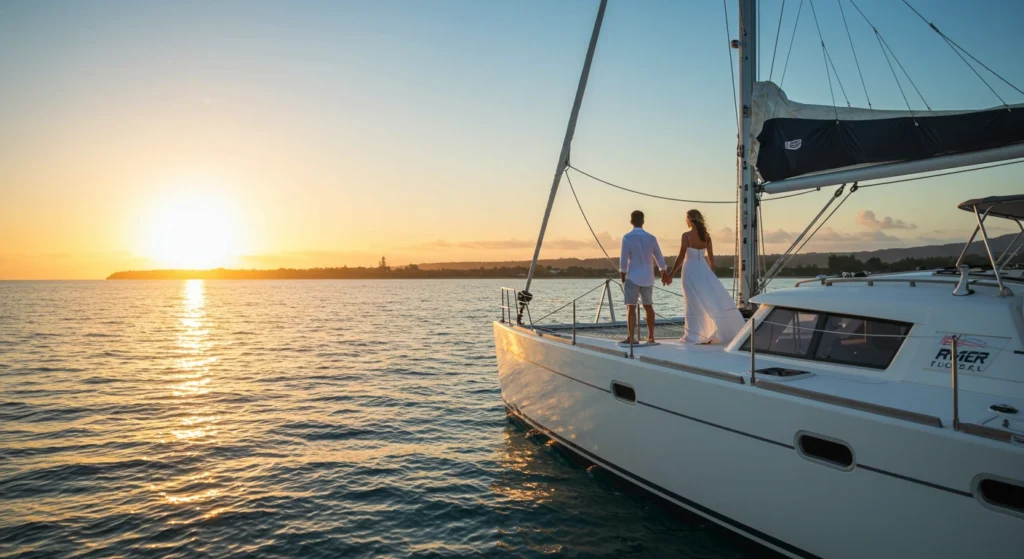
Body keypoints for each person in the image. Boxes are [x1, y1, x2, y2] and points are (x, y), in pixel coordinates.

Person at [662, 209, 745, 344]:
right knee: (707, 299)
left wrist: (671, 273)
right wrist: (710, 273)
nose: (685, 221)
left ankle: (694, 334)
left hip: (690, 269)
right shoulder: (706, 236)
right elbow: (711, 260)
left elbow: (682, 255)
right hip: (703, 269)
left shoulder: (686, 236)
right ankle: (707, 331)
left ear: (690, 219)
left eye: (686, 218)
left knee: (692, 301)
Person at [619, 210, 667, 344]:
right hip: (648, 277)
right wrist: (663, 271)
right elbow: (659, 256)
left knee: (631, 307)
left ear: (631, 221)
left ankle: (631, 337)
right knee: (648, 306)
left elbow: (623, 259)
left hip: (633, 276)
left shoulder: (627, 237)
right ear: (643, 221)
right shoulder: (651, 238)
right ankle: (651, 337)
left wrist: (623, 274)